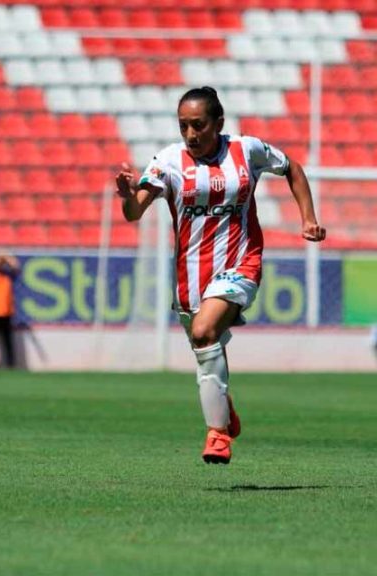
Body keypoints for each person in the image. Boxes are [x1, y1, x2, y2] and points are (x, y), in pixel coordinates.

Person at [116, 86, 326, 464]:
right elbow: (135, 212)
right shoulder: (168, 160)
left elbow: (292, 167)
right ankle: (224, 413)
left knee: (204, 332)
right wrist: (127, 195)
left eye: (198, 125)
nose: (191, 134)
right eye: (184, 127)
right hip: (190, 280)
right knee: (204, 345)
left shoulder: (247, 150)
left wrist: (308, 217)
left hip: (241, 262)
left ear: (219, 123)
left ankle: (217, 436)